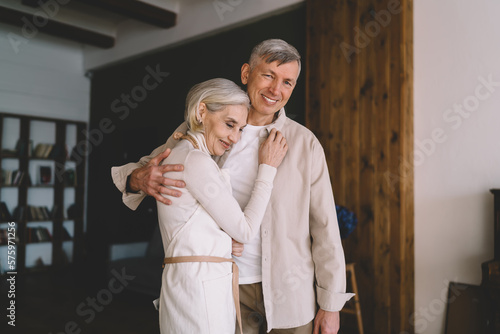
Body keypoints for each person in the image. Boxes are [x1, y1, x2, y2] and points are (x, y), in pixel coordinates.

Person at [111, 39, 354, 334]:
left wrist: (330, 305)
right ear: (246, 74)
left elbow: (325, 228)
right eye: (268, 75)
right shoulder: (205, 128)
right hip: (224, 289)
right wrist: (137, 179)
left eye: (287, 82)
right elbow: (148, 165)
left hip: (291, 295)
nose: (276, 90)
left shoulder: (305, 144)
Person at [118, 78, 287, 333]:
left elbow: (187, 221)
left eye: (240, 129)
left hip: (190, 285)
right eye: (229, 124)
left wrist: (219, 240)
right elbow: (245, 230)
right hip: (201, 291)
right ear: (201, 112)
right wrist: (267, 169)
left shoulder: (183, 155)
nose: (235, 138)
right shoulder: (196, 161)